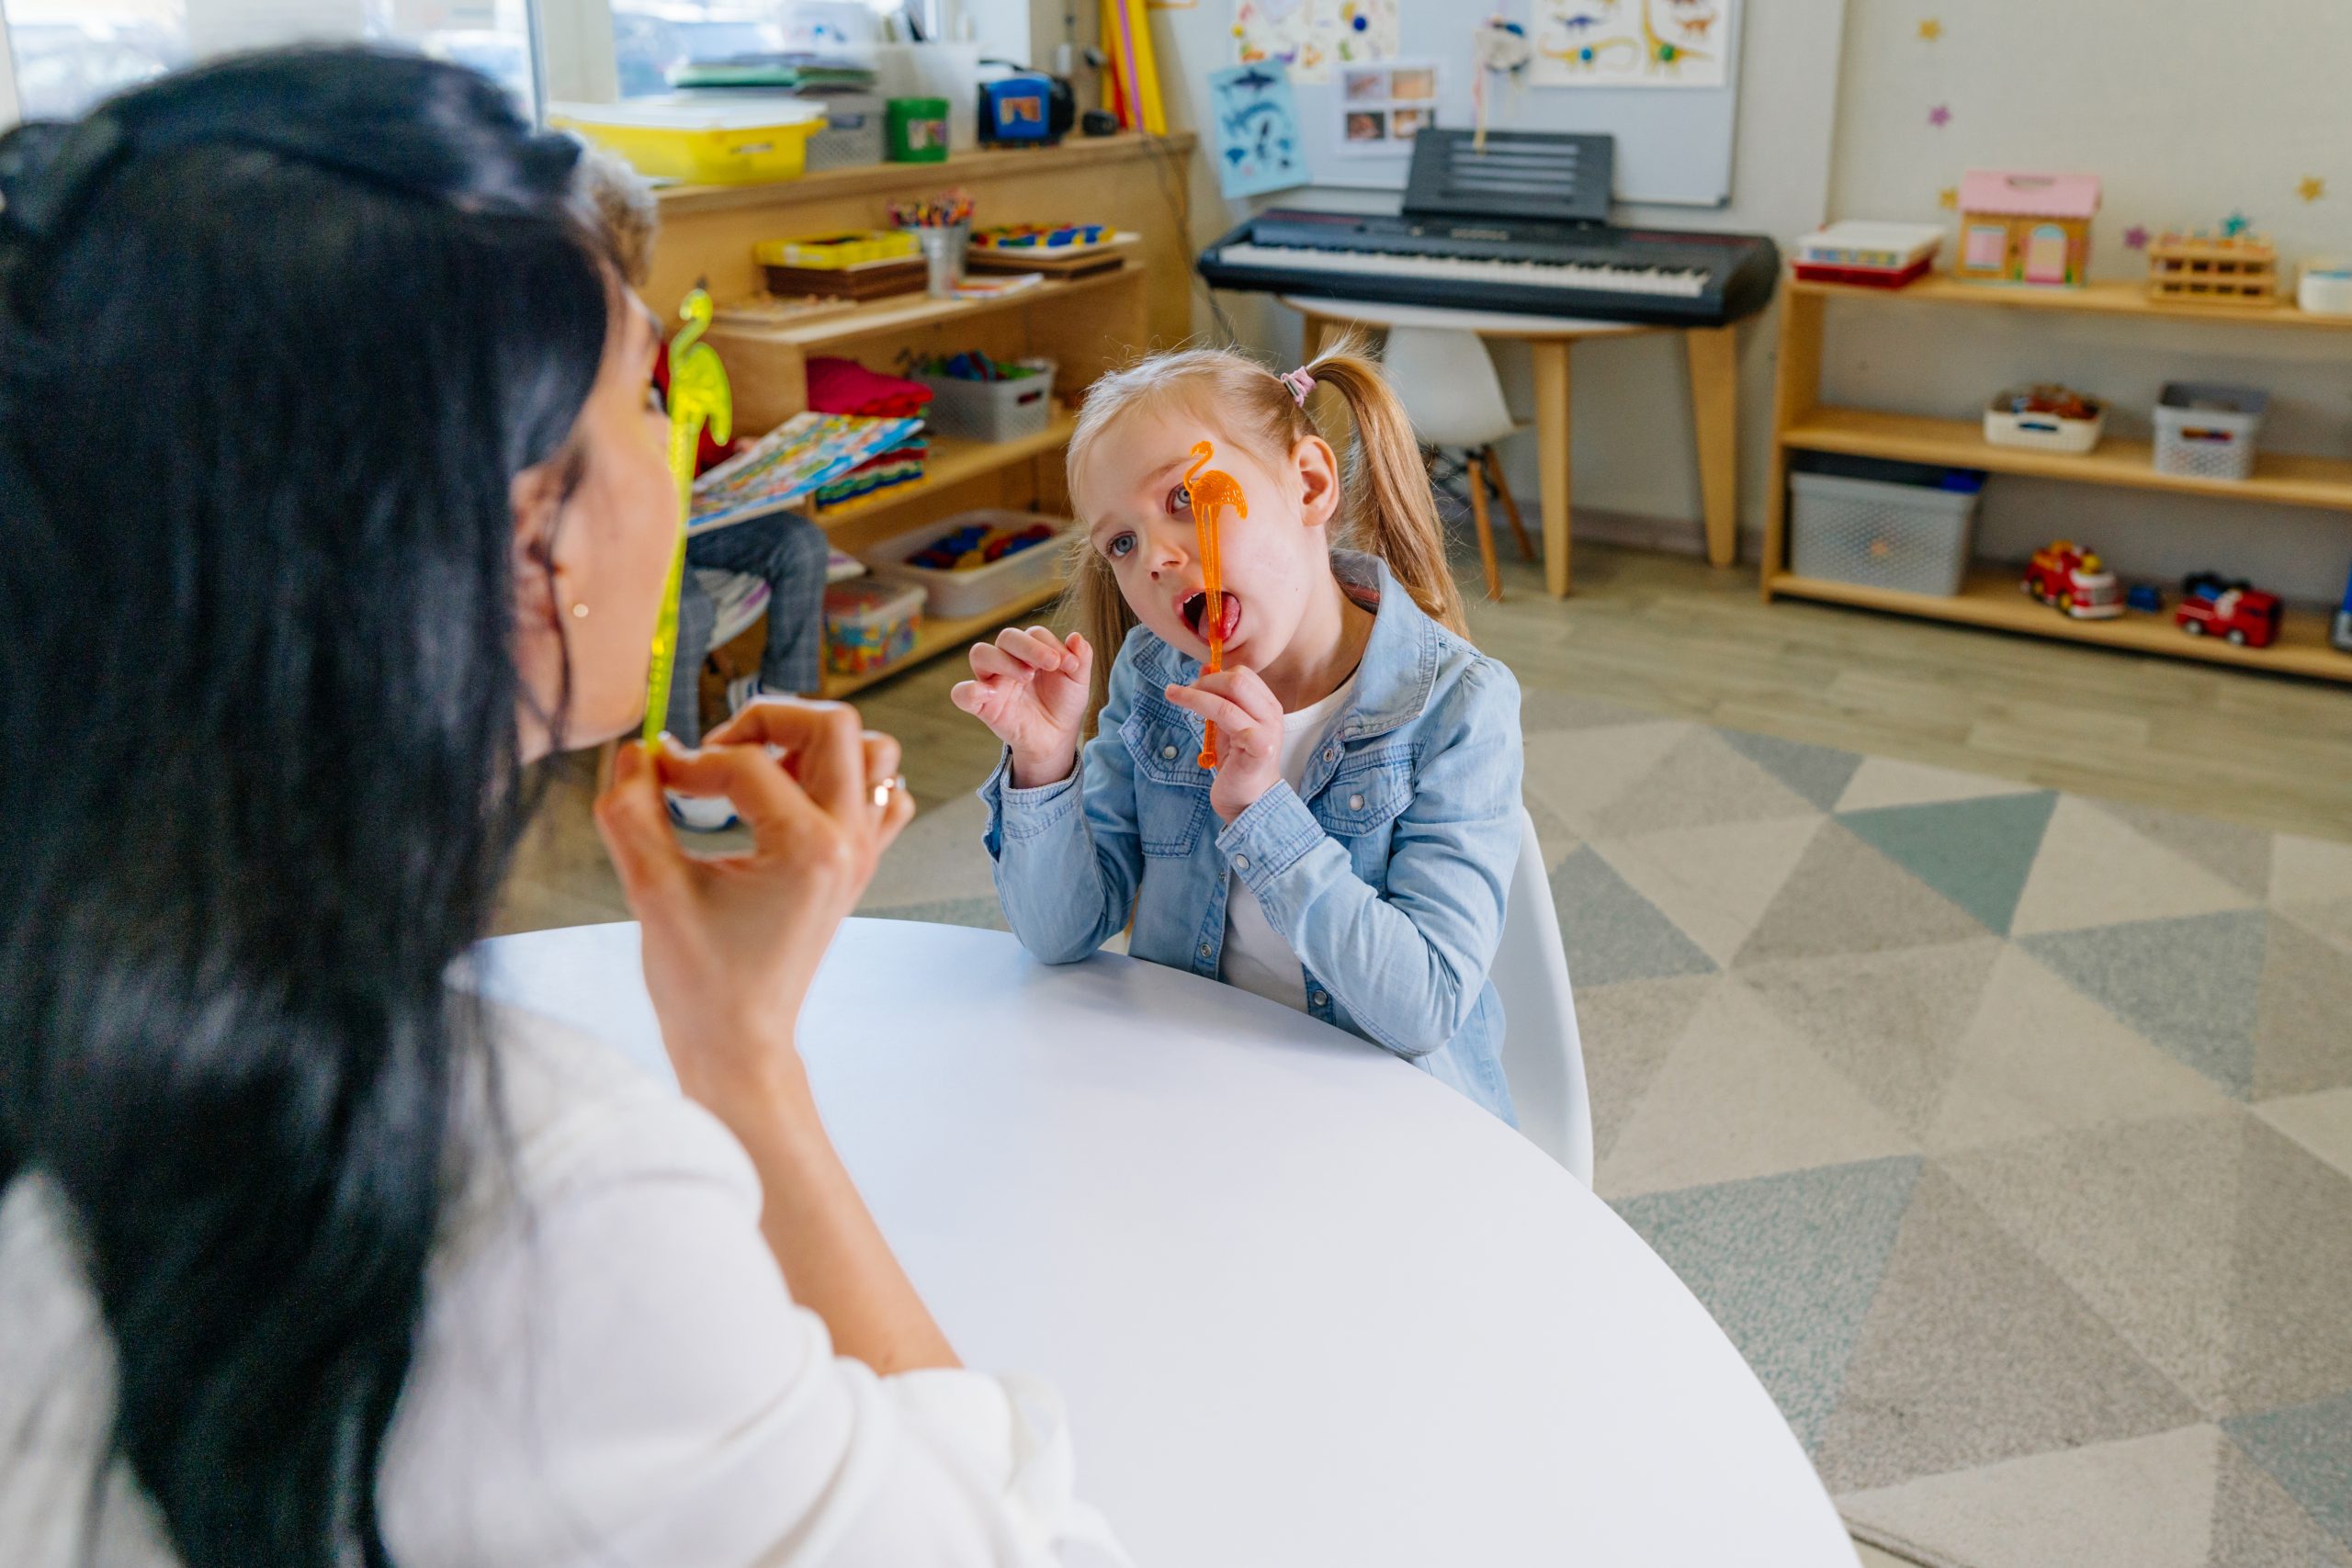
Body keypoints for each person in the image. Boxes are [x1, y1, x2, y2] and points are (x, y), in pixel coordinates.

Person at [0, 50, 1123, 1568]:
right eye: (645, 397)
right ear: (537, 545)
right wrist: (749, 1083)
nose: (671, 450)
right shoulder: (538, 1201)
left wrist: (731, 1032)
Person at [952, 345, 1524, 1122]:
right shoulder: (1156, 679)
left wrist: (1262, 814)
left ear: (1310, 484)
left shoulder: (1460, 708)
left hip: (1392, 1121)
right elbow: (1061, 934)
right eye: (1121, 542)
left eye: (1185, 499)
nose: (1155, 556)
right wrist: (1045, 761)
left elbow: (1423, 1006)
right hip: (1203, 1091)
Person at [575, 142, 831, 830]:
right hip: (619, 544)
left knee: (800, 543)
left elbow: (685, 431)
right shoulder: (554, 369)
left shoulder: (643, 342)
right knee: (680, 610)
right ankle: (680, 759)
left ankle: (781, 708)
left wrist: (738, 461)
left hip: (684, 518)